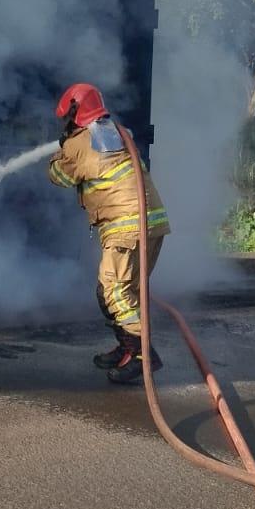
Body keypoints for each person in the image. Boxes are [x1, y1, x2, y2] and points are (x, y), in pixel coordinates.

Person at [47, 81, 170, 385]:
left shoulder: (80, 142)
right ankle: (127, 348)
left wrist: (59, 151)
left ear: (75, 114)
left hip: (125, 228)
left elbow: (58, 176)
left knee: (114, 292)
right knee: (124, 292)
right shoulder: (118, 132)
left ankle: (143, 357)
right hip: (150, 224)